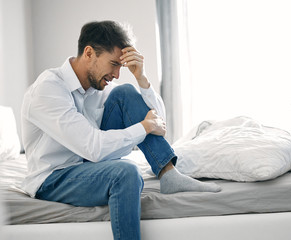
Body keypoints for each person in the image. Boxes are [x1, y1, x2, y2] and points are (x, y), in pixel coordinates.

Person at [21, 20, 221, 240]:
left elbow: (159, 125)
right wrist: (144, 127)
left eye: (121, 67)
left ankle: (168, 174)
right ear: (89, 53)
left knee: (126, 92)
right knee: (126, 173)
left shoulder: (99, 87)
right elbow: (93, 147)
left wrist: (141, 78)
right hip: (54, 177)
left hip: (87, 165)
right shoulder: (48, 89)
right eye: (114, 64)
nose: (116, 74)